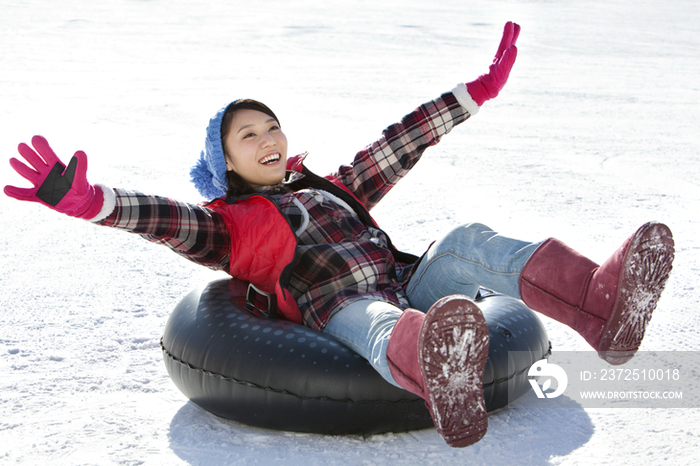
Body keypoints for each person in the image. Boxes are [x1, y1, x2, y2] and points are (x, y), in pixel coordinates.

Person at [4, 22, 674, 448]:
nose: (268, 139)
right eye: (249, 136)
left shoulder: (331, 187)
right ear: (227, 164)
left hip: (406, 280)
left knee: (467, 237)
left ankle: (601, 305)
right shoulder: (233, 223)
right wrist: (95, 202)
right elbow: (171, 223)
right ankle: (439, 372)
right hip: (340, 308)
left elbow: (397, 145)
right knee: (382, 320)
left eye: (272, 128)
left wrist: (472, 94)